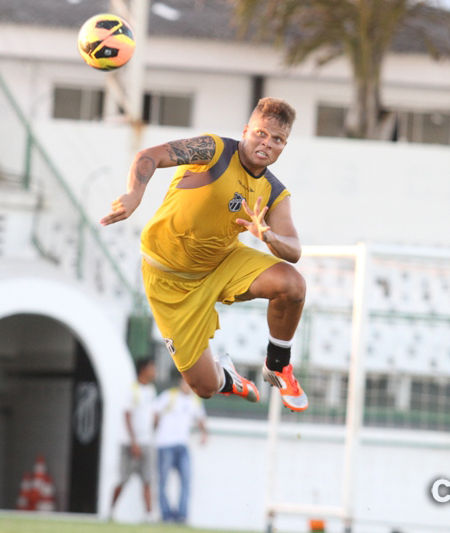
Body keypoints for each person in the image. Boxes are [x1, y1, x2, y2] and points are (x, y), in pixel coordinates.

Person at [101, 97, 308, 412]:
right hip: (168, 278)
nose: (267, 143)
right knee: (204, 387)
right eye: (261, 134)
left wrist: (269, 235)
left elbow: (294, 249)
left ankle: (278, 365)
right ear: (246, 130)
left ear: (284, 146)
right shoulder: (214, 150)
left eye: (277, 139)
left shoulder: (274, 191)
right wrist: (134, 194)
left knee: (293, 285)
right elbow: (150, 155)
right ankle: (228, 377)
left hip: (222, 263)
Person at [153, 378, 207, 523]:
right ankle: (166, 515)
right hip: (165, 444)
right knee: (163, 482)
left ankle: (181, 515)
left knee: (186, 481)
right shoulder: (169, 395)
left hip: (182, 445)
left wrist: (204, 434)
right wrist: (156, 428)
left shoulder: (195, 400)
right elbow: (155, 412)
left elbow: (200, 418)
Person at [110, 357, 157, 521]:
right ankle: (110, 512)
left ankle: (148, 516)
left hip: (147, 442)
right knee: (123, 479)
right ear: (144, 369)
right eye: (152, 368)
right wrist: (133, 441)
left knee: (147, 480)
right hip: (130, 443)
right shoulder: (132, 389)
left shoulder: (151, 390)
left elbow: (151, 415)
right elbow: (127, 415)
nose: (155, 371)